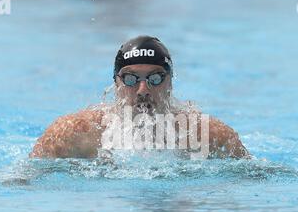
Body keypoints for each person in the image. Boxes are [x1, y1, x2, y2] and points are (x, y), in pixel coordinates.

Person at [30, 35, 249, 159]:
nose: (143, 89)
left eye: (155, 78)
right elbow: (21, 178)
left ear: (170, 82)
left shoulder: (207, 133)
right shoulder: (75, 132)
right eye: (131, 79)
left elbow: (259, 175)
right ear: (116, 83)